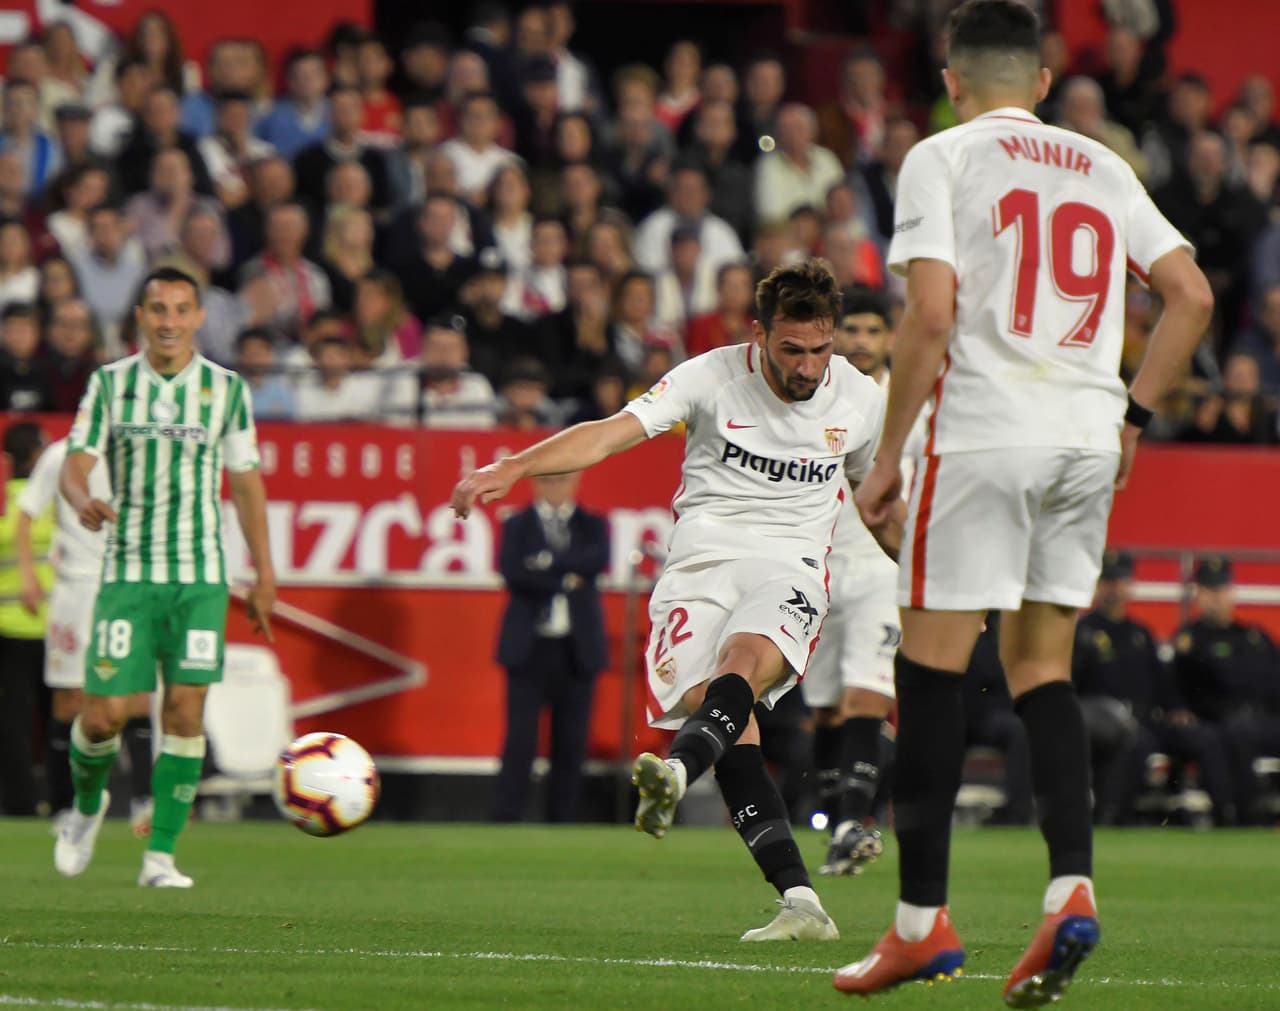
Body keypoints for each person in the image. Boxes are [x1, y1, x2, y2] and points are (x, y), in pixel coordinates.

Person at [835, 1, 1213, 1003]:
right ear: (1042, 84)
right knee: (1040, 668)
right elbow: (1191, 294)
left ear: (951, 81)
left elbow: (926, 317)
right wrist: (1133, 420)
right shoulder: (1100, 165)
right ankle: (1069, 890)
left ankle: (918, 924)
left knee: (927, 671)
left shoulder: (940, 156)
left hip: (983, 433)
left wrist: (883, 460)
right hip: (1085, 438)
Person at [453, 259, 895, 941]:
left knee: (742, 665)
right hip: (700, 564)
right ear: (759, 334)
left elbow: (877, 502)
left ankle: (678, 769)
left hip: (792, 564)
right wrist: (513, 465)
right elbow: (606, 434)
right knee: (728, 725)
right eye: (791, 350)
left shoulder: (860, 399)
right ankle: (801, 900)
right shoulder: (710, 377)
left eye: (820, 349)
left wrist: (933, 579)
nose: (808, 368)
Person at [53, 265, 276, 889]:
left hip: (200, 575)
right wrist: (78, 497)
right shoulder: (110, 384)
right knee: (103, 718)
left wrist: (264, 573)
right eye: (159, 310)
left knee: (184, 710)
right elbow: (76, 462)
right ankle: (88, 803)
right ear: (141, 318)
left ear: (199, 317)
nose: (170, 321)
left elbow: (247, 481)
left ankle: (161, 857)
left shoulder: (226, 389)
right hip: (128, 574)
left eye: (182, 309)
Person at [802, 290, 925, 876]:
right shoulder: (813, 396)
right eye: (850, 330)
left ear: (889, 339)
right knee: (825, 708)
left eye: (872, 331)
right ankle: (837, 827)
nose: (860, 341)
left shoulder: (912, 403)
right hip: (818, 564)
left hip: (882, 566)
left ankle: (854, 822)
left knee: (866, 696)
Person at [16, 435, 157, 832]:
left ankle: (144, 803)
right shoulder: (61, 455)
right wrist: (29, 574)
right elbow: (25, 514)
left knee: (139, 696)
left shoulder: (142, 454)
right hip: (75, 591)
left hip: (127, 587)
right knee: (69, 699)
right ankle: (63, 805)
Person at [1074, 551, 1237, 826]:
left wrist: (1177, 708)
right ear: (1097, 585)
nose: (1115, 589)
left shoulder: (1141, 634)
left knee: (1204, 738)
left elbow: (1162, 681)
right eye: (1108, 582)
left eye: (1120, 582)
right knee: (1135, 743)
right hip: (1107, 723)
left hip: (1148, 719)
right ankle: (1114, 817)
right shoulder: (1083, 631)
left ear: (1131, 585)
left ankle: (1229, 815)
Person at [492, 473, 609, 822]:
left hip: (577, 649)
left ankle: (563, 820)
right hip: (529, 648)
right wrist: (568, 576)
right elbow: (513, 572)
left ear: (575, 483)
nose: (555, 488)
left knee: (571, 742)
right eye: (548, 481)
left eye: (562, 480)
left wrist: (543, 563)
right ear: (535, 484)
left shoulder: (593, 525)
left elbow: (596, 561)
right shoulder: (517, 525)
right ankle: (505, 818)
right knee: (520, 740)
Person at [1175, 557, 1280, 825]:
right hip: (1221, 722)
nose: (1216, 598)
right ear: (1198, 594)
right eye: (1209, 590)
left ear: (1232, 592)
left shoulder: (1254, 637)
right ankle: (1242, 814)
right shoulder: (1191, 640)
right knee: (1234, 734)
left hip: (1264, 720)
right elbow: (1179, 687)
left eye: (1221, 589)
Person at [0, 422, 50, 816]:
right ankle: (64, 798)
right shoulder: (51, 502)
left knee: (14, 722)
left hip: (9, 625)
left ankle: (19, 801)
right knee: (60, 720)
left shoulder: (6, 502)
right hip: (54, 625)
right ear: (35, 455)